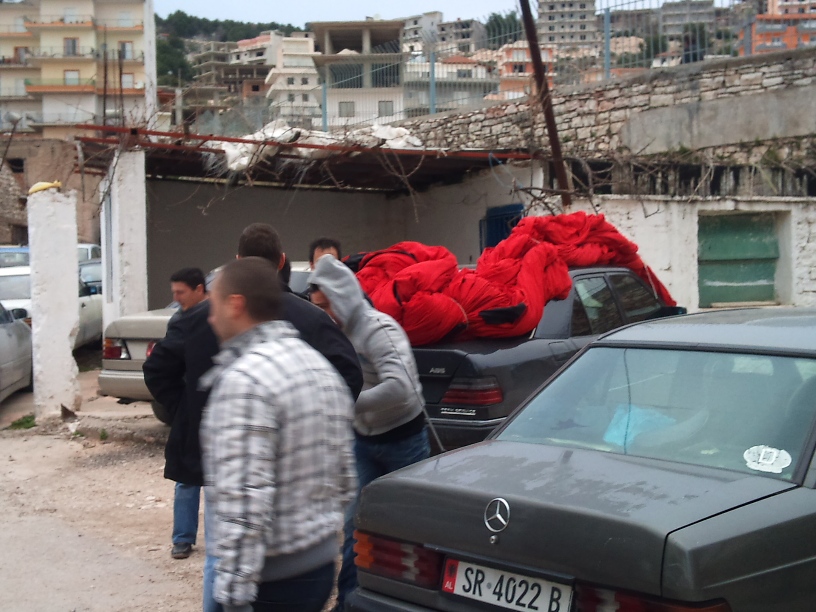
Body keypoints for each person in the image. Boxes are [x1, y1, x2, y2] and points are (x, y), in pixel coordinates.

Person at [202, 223, 364, 612]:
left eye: (213, 304)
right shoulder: (317, 365)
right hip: (317, 566)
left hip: (270, 579)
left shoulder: (246, 380)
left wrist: (234, 596)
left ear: (235, 305)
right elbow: (345, 478)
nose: (209, 317)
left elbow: (246, 499)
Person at [308, 254, 431, 611]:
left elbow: (401, 387)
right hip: (361, 441)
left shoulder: (379, 329)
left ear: (342, 296)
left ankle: (404, 601)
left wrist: (346, 403)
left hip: (403, 440)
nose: (323, 314)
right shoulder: (330, 334)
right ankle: (348, 603)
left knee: (403, 531)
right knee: (354, 526)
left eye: (326, 306)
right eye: (317, 308)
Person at [143, 267, 214, 560]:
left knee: (218, 479)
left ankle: (219, 539)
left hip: (219, 409)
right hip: (192, 412)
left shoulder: (219, 316)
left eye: (180, 292)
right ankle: (183, 537)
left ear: (199, 289)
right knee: (187, 477)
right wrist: (180, 405)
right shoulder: (181, 321)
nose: (176, 298)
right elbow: (159, 369)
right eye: (173, 293)